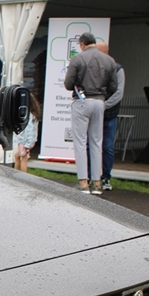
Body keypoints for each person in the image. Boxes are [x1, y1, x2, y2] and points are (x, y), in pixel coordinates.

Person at [64, 32, 117, 195]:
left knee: (80, 142)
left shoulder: (78, 59)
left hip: (81, 101)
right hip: (99, 102)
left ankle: (83, 182)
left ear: (82, 44)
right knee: (96, 142)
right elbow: (114, 87)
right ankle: (97, 183)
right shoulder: (109, 60)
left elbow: (68, 84)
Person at [95, 41, 125, 190]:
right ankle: (92, 176)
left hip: (109, 114)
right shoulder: (92, 67)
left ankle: (105, 177)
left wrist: (103, 106)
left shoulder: (118, 69)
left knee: (107, 146)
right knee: (92, 145)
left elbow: (119, 93)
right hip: (95, 114)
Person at [14, 93, 41, 173]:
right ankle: (16, 171)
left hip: (24, 140)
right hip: (28, 140)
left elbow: (29, 129)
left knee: (23, 159)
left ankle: (21, 175)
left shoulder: (28, 115)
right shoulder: (34, 114)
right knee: (17, 156)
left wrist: (27, 144)